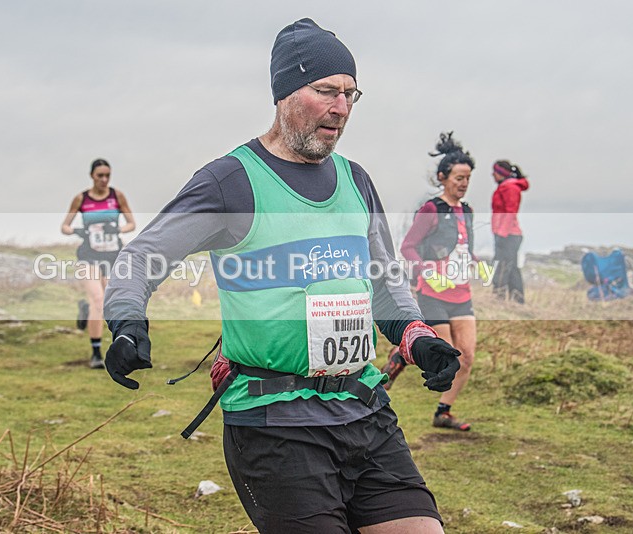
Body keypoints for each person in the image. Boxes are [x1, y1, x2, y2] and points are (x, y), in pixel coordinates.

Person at [103, 18, 462, 533]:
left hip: (364, 410)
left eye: (350, 94)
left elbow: (385, 285)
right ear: (285, 93)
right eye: (325, 91)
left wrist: (418, 338)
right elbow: (139, 259)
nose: (340, 108)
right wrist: (127, 321)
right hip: (275, 425)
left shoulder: (356, 181)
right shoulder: (231, 182)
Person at [387, 133, 487, 432]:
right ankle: (404, 354)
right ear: (443, 177)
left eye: (468, 178)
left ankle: (443, 412)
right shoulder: (431, 210)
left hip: (462, 294)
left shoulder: (466, 211)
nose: (464, 183)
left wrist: (477, 263)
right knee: (442, 353)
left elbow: (463, 247)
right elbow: (408, 247)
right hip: (433, 293)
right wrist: (426, 271)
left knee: (467, 356)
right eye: (459, 177)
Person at [61, 159, 135, 369]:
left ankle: (85, 310)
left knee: (110, 302)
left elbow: (132, 223)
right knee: (98, 299)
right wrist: (77, 231)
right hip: (88, 255)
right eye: (99, 176)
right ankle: (96, 353)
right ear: (92, 176)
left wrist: (118, 230)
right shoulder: (81, 199)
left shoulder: (117, 196)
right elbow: (64, 226)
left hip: (113, 255)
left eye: (107, 175)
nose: (104, 179)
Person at [491, 160, 528, 304]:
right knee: (511, 267)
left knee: (503, 266)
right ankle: (517, 299)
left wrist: (501, 233)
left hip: (508, 234)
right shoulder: (507, 186)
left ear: (501, 173)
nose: (492, 175)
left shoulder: (509, 187)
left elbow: (510, 211)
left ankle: (498, 296)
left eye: (494, 172)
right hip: (508, 233)